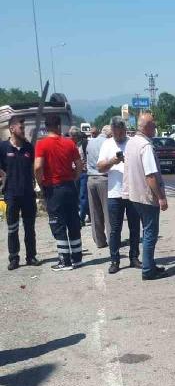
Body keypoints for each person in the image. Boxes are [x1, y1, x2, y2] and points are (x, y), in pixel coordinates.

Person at [34, 114, 84, 270]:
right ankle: (77, 258)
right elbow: (79, 164)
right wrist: (74, 177)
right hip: (70, 186)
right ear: (59, 126)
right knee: (73, 221)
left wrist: (41, 184)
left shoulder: (42, 145)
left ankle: (65, 261)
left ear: (46, 127)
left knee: (58, 223)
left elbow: (37, 167)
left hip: (54, 188)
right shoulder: (69, 143)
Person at [124, 112, 168, 280]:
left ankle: (149, 264)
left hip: (134, 195)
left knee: (146, 231)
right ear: (148, 127)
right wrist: (161, 197)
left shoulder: (131, 143)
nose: (156, 129)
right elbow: (150, 175)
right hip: (147, 196)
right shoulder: (145, 146)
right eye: (154, 126)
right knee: (150, 233)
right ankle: (148, 270)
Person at [98, 117, 141, 274]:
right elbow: (100, 167)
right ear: (112, 131)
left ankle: (134, 257)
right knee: (115, 229)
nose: (119, 135)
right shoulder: (107, 144)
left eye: (121, 132)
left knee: (135, 227)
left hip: (132, 192)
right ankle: (114, 260)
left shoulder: (132, 142)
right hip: (114, 193)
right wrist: (113, 161)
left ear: (125, 129)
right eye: (116, 132)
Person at [0, 116, 39, 269]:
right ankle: (14, 258)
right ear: (12, 129)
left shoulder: (29, 147)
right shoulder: (3, 147)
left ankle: (31, 256)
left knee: (30, 228)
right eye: (21, 128)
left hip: (28, 194)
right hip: (11, 194)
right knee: (12, 228)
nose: (24, 130)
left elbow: (35, 168)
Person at [85, 125, 111, 249]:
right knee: (108, 211)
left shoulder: (90, 142)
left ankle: (99, 241)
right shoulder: (107, 143)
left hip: (90, 179)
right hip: (103, 178)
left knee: (94, 212)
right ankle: (112, 239)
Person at [70, 126, 90, 226]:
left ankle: (81, 218)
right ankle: (88, 214)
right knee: (76, 195)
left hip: (83, 172)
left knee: (83, 196)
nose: (71, 137)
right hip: (73, 173)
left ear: (77, 136)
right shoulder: (70, 145)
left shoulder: (84, 143)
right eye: (70, 135)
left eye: (73, 135)